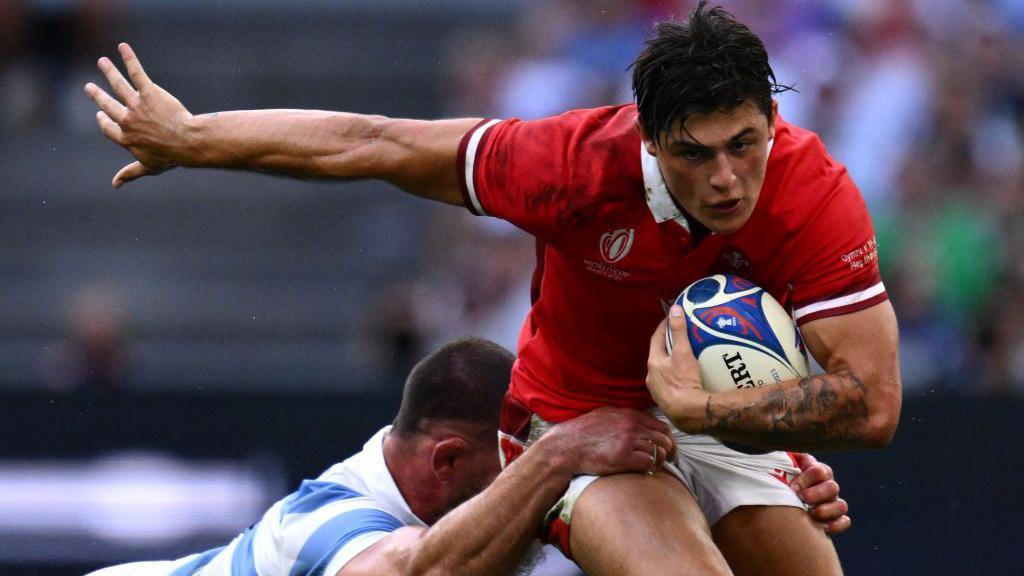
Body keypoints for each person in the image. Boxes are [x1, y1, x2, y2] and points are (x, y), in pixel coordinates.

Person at [84, 3, 891, 574]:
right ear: (647, 139)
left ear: (773, 119)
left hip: (706, 422)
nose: (724, 179)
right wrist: (194, 139)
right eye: (693, 153)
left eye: (745, 143)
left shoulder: (811, 192)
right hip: (569, 429)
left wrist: (718, 419)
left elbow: (874, 405)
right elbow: (376, 143)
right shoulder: (571, 164)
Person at [85, 338, 850, 576]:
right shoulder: (325, 523)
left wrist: (774, 493)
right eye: (520, 460)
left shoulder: (493, 504)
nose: (556, 482)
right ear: (449, 461)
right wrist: (551, 464)